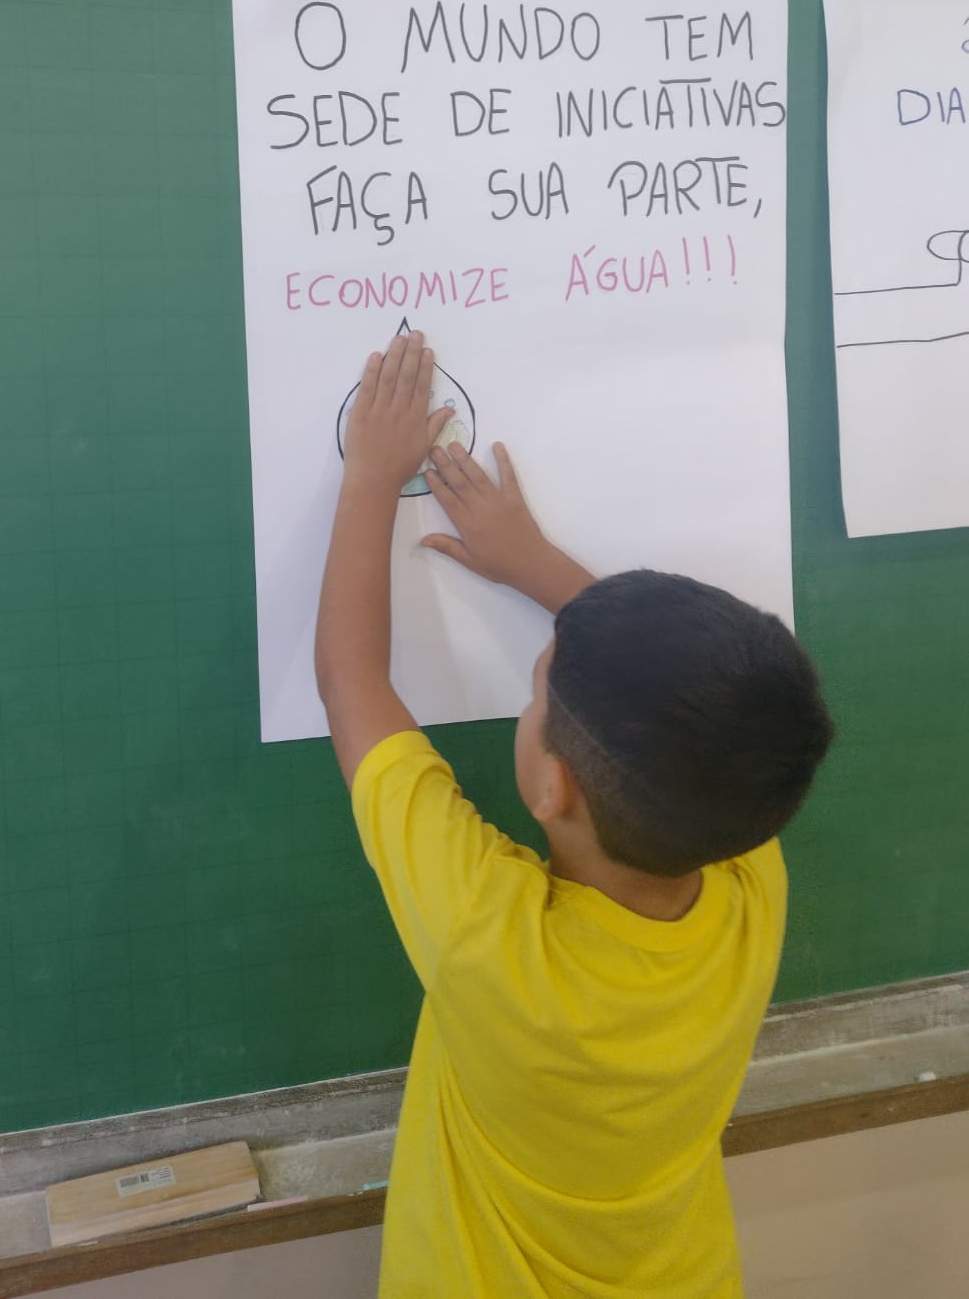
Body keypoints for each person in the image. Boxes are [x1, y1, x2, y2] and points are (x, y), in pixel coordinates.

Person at [314, 327, 833, 1298]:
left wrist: (371, 478)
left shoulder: (490, 940)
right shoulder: (746, 872)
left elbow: (351, 682)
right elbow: (680, 711)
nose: (533, 688)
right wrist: (535, 562)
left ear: (552, 787)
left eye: (536, 687)